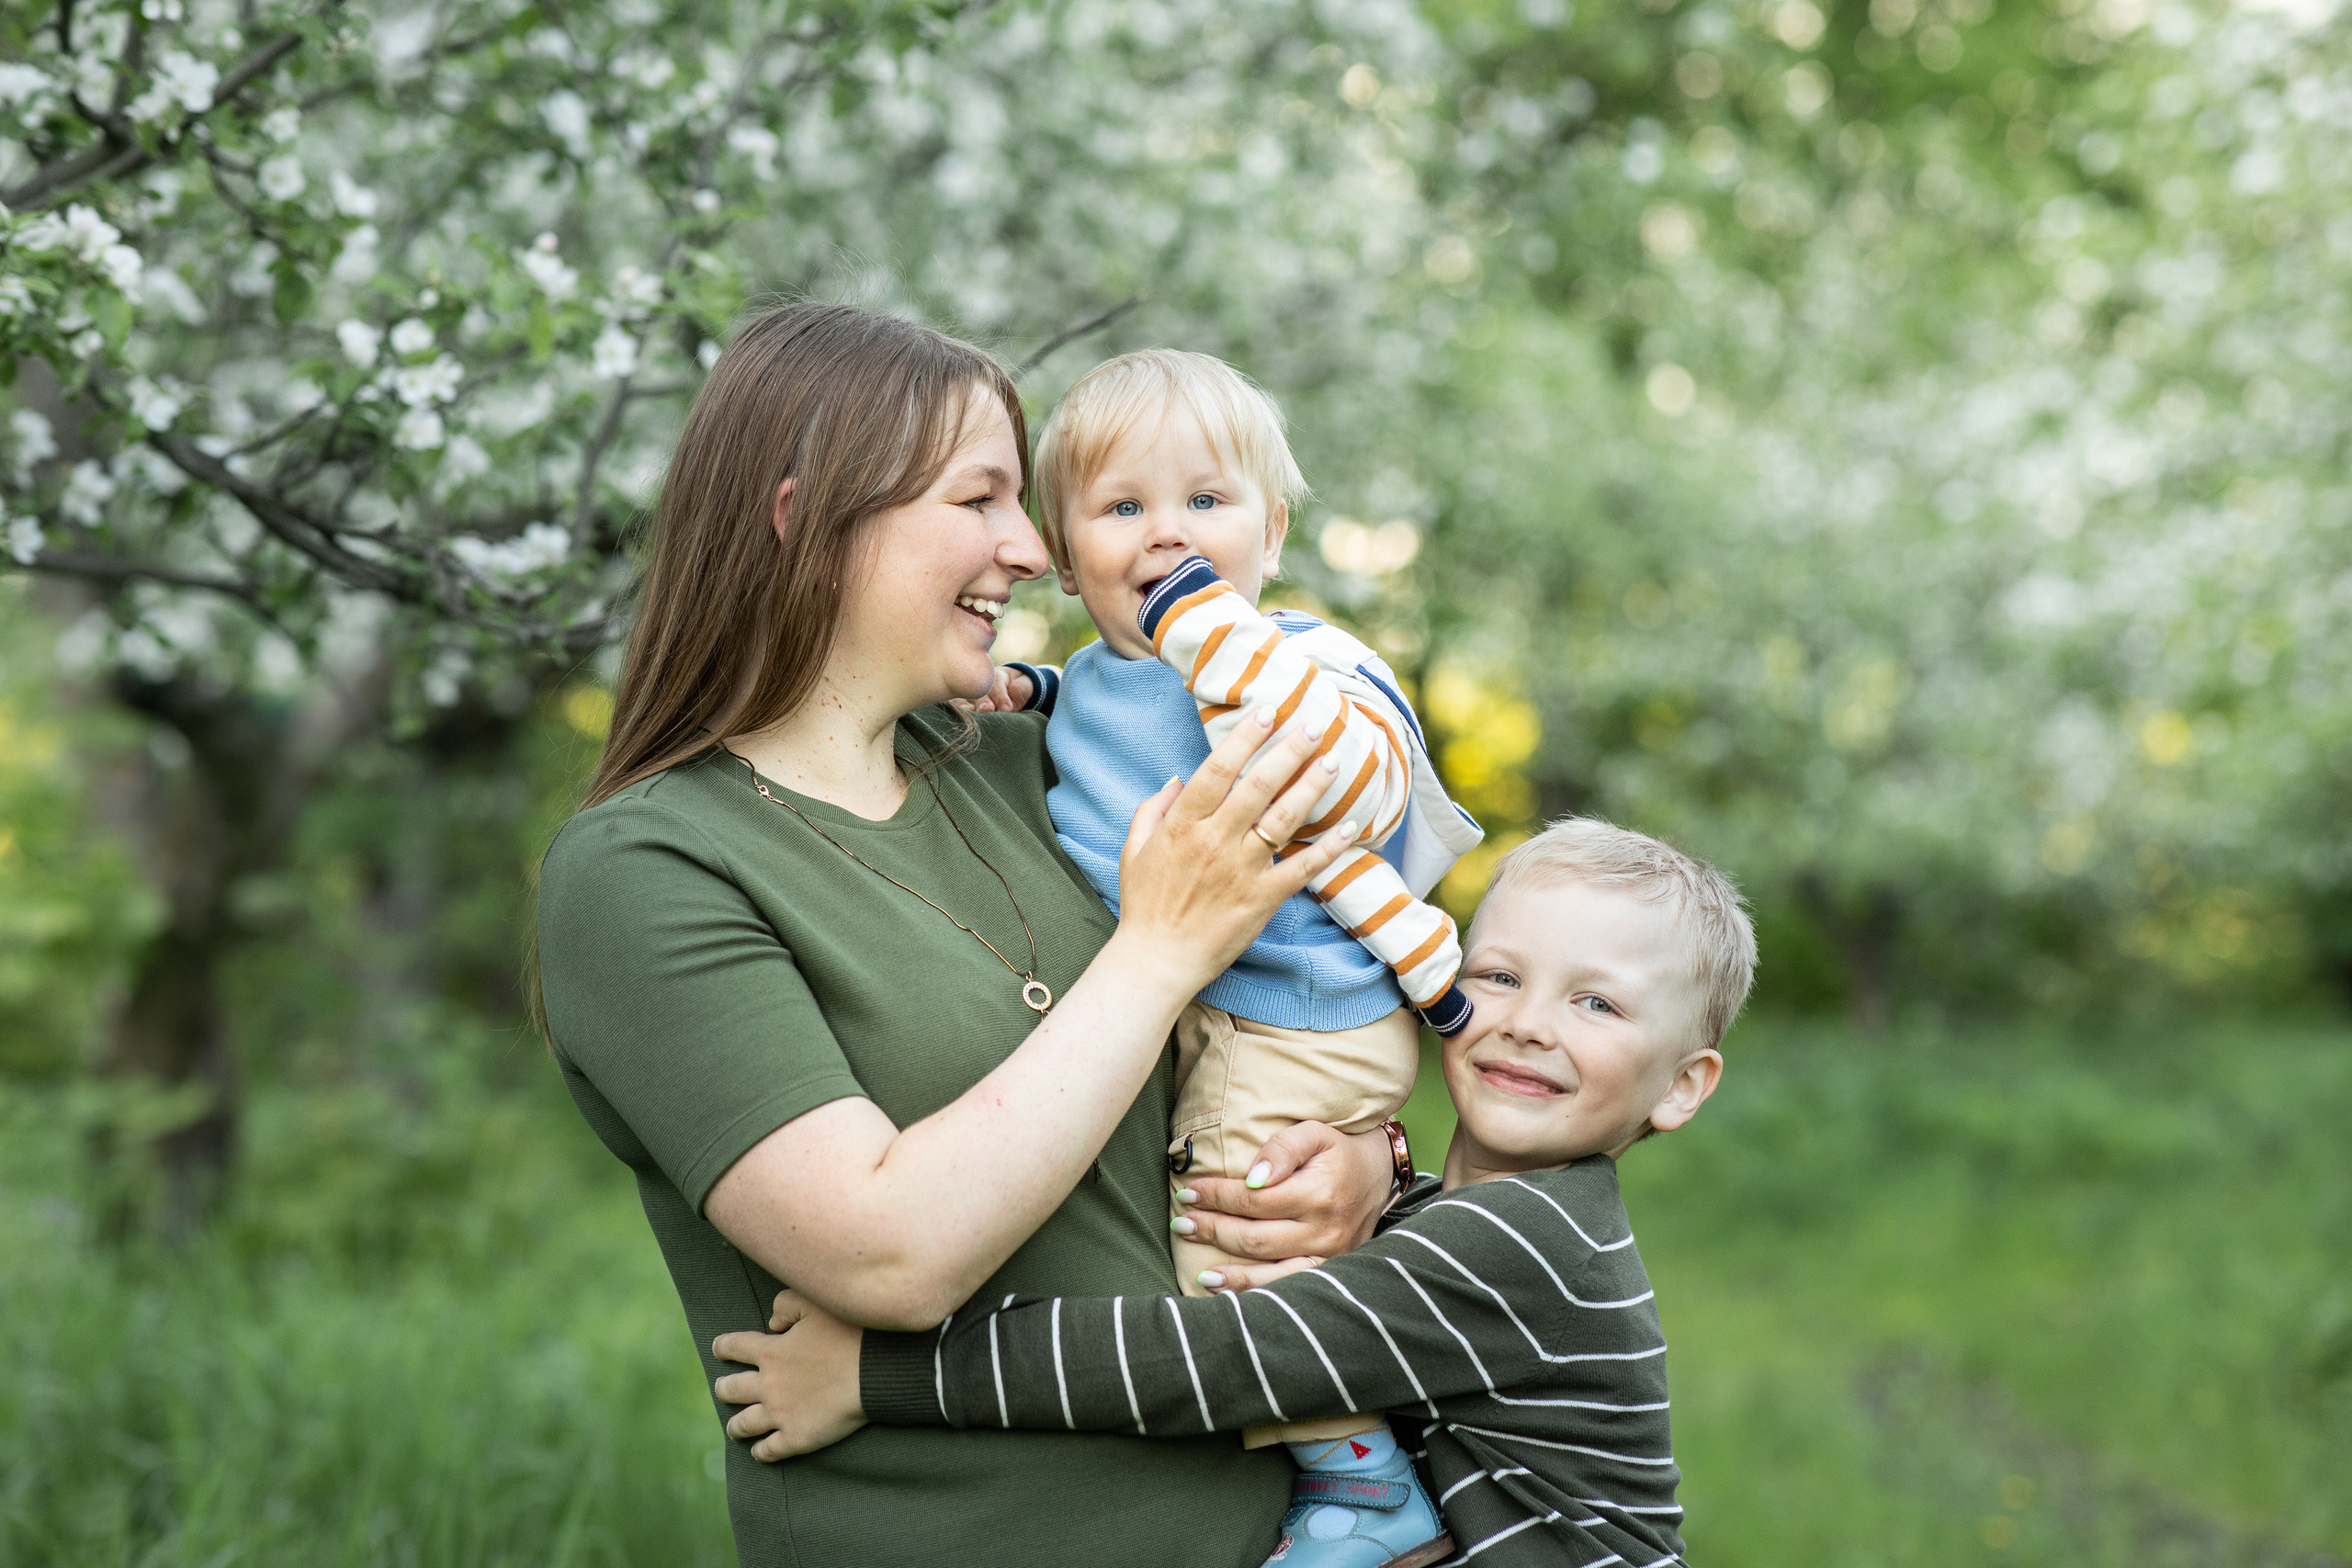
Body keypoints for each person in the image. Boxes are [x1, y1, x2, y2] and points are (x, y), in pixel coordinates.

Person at [533, 303, 1404, 1568]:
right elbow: (887, 1252)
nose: (1029, 546)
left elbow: (1291, 995)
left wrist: (1360, 1161)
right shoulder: (648, 869)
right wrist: (1159, 948)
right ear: (806, 522)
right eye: (980, 498)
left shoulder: (1046, 768)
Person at [708, 817, 1758, 1568]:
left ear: (1681, 1087)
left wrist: (884, 1374)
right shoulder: (1492, 1225)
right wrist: (1376, 1163)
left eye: (1595, 1003)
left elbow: (1214, 1362)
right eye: (1495, 976)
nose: (1527, 1021)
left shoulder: (1519, 1243)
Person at [974, 349, 1485, 1565]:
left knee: (1232, 1246)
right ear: (1060, 542)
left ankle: (1365, 1481)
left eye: (1207, 501)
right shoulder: (1099, 676)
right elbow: (1090, 712)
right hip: (1213, 1006)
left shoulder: (1302, 659)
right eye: (1123, 506)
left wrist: (1224, 646)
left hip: (1300, 1012)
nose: (1167, 534)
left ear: (1275, 526)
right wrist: (1025, 685)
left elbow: (1362, 783)